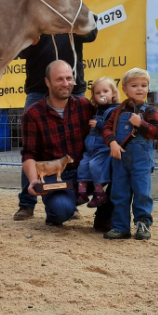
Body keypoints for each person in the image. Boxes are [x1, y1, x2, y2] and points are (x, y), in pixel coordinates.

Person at [13, 29, 98, 221]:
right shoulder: (34, 21)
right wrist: (31, 39)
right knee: (31, 149)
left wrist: (76, 26)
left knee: (83, 143)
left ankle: (71, 201)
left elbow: (91, 34)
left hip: (74, 90)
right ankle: (27, 204)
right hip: (37, 89)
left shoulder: (71, 15)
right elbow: (20, 51)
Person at [21, 60, 111, 228]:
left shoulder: (85, 106)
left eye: (69, 78)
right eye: (59, 79)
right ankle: (59, 207)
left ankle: (104, 216)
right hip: (56, 179)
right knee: (60, 211)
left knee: (122, 171)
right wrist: (33, 180)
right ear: (47, 82)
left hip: (87, 173)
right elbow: (28, 154)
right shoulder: (32, 114)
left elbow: (109, 124)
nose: (66, 83)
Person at [101, 68, 158, 241]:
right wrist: (112, 142)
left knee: (142, 193)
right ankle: (120, 227)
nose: (139, 89)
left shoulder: (149, 111)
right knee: (119, 193)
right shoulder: (117, 111)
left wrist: (141, 123)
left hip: (141, 161)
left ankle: (142, 225)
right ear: (125, 89)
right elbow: (106, 129)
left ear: (148, 88)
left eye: (144, 85)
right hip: (119, 159)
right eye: (134, 85)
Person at [74, 77, 119, 208]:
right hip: (90, 147)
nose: (102, 95)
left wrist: (99, 124)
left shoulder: (115, 110)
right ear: (93, 96)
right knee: (83, 165)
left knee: (95, 165)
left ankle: (99, 193)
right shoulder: (97, 109)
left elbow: (114, 127)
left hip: (102, 146)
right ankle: (82, 192)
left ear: (113, 93)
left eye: (105, 91)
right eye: (98, 93)